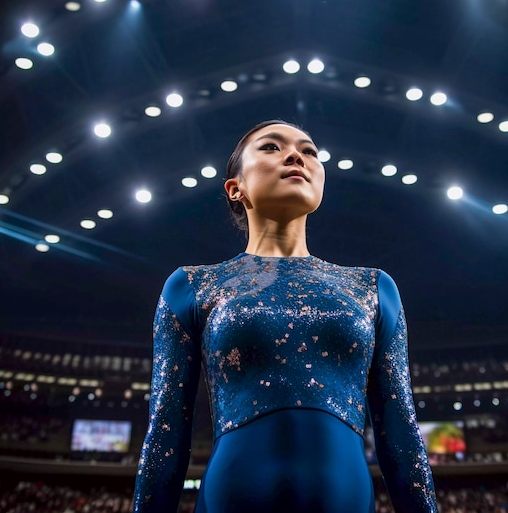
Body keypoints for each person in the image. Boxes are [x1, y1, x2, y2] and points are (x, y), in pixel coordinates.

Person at [133, 120, 438, 513]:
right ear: (235, 187)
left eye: (309, 151)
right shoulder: (192, 286)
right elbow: (164, 438)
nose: (297, 155)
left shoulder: (373, 288)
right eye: (272, 147)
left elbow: (402, 438)